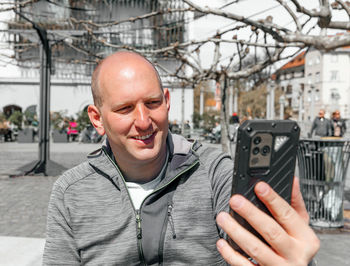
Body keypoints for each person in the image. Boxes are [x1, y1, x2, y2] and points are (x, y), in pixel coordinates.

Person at [43, 51, 319, 265]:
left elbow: (255, 249)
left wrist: (288, 255)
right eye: (125, 109)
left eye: (152, 103)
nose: (143, 121)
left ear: (166, 101)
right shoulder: (71, 192)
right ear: (96, 118)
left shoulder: (215, 172)